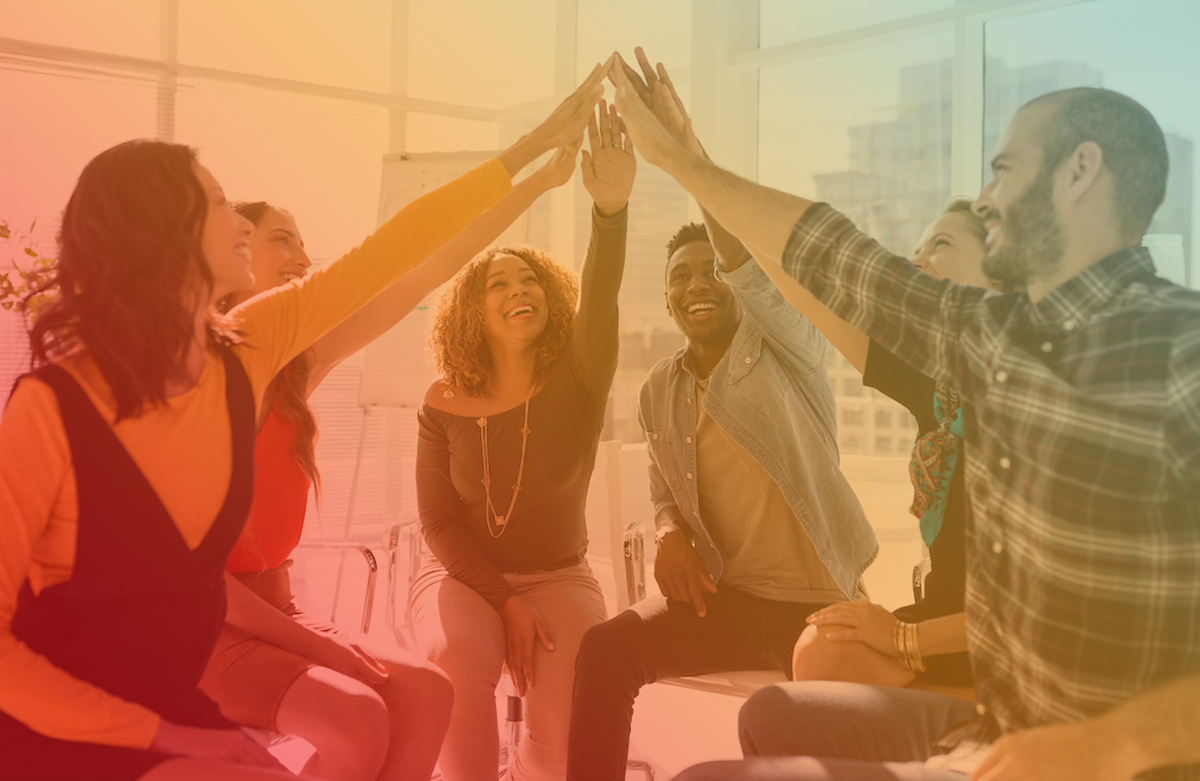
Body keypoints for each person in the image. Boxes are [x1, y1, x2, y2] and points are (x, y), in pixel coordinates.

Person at [0, 61, 606, 781]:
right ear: (163, 235)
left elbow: (396, 254)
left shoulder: (250, 352)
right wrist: (158, 730)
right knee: (333, 734)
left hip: (173, 679)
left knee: (413, 700)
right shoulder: (55, 407)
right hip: (72, 719)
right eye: (220, 203)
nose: (240, 223)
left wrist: (528, 154)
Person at [614, 54, 1200, 781]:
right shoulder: (991, 339)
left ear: (1081, 173)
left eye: (1005, 171)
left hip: (1109, 759)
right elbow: (833, 263)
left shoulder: (1182, 351)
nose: (986, 200)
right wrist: (686, 162)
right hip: (995, 732)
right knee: (770, 713)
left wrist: (1106, 746)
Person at [197, 119, 587, 781]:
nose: (301, 258)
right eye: (280, 240)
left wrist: (539, 184)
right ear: (235, 252)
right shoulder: (198, 377)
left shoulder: (296, 367)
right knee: (362, 715)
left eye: (303, 243)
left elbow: (420, 269)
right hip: (211, 620)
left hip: (277, 603)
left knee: (427, 693)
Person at [565, 49, 877, 781]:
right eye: (681, 277)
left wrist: (682, 155)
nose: (698, 284)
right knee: (604, 650)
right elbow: (669, 488)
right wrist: (670, 527)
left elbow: (746, 264)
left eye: (710, 272)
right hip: (731, 605)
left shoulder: (786, 345)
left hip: (821, 607)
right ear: (669, 299)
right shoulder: (658, 391)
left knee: (827, 752)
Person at [409, 98, 634, 781]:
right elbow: (440, 522)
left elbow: (602, 295)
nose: (517, 288)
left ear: (550, 297)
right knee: (459, 662)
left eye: (529, 276)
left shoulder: (581, 377)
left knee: (564, 745)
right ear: (472, 311)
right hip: (461, 577)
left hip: (560, 575)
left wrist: (611, 210)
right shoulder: (443, 400)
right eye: (496, 282)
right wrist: (503, 599)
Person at [792, 198, 1002, 698]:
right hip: (947, 624)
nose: (916, 260)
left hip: (1010, 640)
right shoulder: (937, 386)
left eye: (941, 244)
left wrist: (903, 639)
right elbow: (808, 293)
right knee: (821, 647)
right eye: (916, 249)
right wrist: (693, 164)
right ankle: (973, 711)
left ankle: (991, 714)